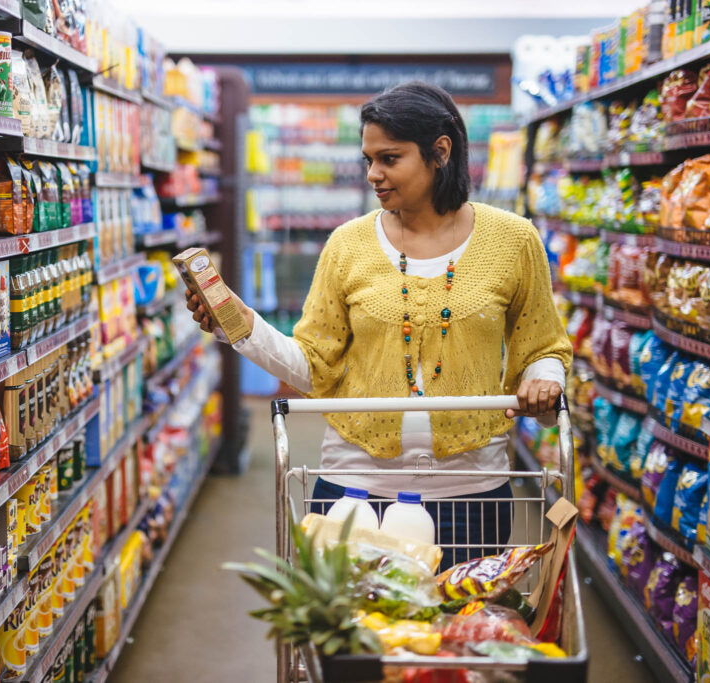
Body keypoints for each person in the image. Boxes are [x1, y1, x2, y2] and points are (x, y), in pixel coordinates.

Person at [186, 82, 572, 569]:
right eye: (368, 159)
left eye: (389, 158)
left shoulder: (514, 240)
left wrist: (545, 378)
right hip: (355, 491)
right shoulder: (348, 244)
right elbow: (314, 365)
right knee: (356, 640)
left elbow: (544, 345)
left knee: (454, 636)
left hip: (471, 492)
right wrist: (242, 326)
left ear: (440, 152)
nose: (374, 174)